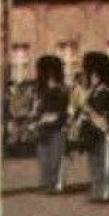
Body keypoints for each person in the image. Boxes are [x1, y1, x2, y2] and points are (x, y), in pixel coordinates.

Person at [77, 51, 109, 203]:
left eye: (91, 75)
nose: (89, 78)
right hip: (94, 132)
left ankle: (104, 191)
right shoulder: (95, 92)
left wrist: (88, 110)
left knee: (104, 162)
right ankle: (98, 189)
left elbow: (104, 118)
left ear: (98, 76)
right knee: (95, 162)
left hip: (105, 133)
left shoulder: (107, 93)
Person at [31, 55, 70, 194]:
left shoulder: (61, 90)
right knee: (44, 158)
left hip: (57, 128)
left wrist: (43, 119)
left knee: (55, 159)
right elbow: (37, 109)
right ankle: (46, 183)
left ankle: (53, 184)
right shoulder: (40, 90)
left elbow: (61, 112)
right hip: (43, 128)